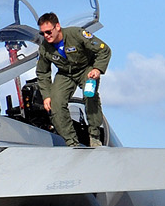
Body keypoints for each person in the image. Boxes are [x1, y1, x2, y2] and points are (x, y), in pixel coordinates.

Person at [36, 12, 111, 148]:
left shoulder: (76, 34)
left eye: (48, 32)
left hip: (86, 69)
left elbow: (104, 50)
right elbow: (42, 72)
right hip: (65, 74)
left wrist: (97, 69)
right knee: (55, 104)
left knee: (90, 95)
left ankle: (94, 136)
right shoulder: (45, 48)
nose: (46, 36)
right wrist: (46, 96)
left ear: (57, 26)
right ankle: (71, 142)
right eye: (43, 34)